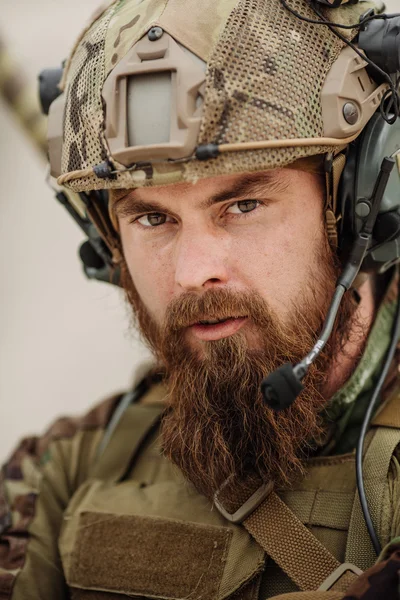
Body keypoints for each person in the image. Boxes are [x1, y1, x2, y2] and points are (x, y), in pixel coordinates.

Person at [1, 0, 400, 598]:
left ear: (354, 208)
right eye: (152, 218)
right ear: (107, 240)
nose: (192, 273)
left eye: (243, 206)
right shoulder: (62, 470)